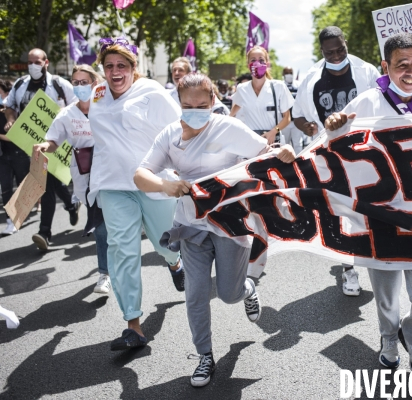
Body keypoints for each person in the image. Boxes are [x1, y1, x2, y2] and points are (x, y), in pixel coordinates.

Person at [134, 73, 296, 387]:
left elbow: (263, 154)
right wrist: (167, 185)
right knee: (195, 294)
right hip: (190, 225)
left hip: (230, 224)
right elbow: (141, 175)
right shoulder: (169, 135)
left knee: (228, 294)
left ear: (213, 102)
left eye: (201, 104)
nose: (194, 110)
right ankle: (204, 357)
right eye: (186, 105)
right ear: (178, 104)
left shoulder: (229, 128)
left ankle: (247, 289)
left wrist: (283, 153)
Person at [325, 33, 412, 376]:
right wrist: (333, 128)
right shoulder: (366, 102)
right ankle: (389, 340)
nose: (410, 72)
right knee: (385, 293)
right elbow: (335, 149)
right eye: (401, 65)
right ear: (386, 66)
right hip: (378, 214)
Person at [88, 37, 184, 351]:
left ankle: (174, 263)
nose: (115, 72)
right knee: (122, 251)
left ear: (133, 68)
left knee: (163, 242)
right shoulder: (98, 93)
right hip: (114, 185)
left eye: (122, 66)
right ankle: (133, 325)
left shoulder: (152, 93)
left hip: (153, 182)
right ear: (102, 69)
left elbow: (179, 130)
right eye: (109, 66)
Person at [293, 25, 380, 297]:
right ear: (321, 52)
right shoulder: (311, 78)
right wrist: (307, 127)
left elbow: (384, 101)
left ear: (346, 42)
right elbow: (297, 115)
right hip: (331, 155)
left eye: (340, 49)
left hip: (366, 152)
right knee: (341, 210)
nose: (336, 55)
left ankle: (375, 256)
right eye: (329, 52)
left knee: (368, 207)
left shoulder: (367, 72)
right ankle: (349, 268)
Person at [32, 65, 111, 294]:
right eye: (75, 82)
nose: (79, 87)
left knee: (118, 227)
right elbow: (54, 140)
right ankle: (104, 274)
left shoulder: (108, 108)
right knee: (101, 228)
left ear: (95, 83)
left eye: (83, 82)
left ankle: (120, 268)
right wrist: (46, 146)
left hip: (114, 173)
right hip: (87, 178)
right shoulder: (66, 114)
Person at [2, 48, 79, 249]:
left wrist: (64, 113)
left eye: (37, 62)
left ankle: (45, 231)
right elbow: (9, 106)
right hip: (32, 146)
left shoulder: (59, 85)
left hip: (57, 144)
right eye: (29, 62)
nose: (32, 66)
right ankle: (69, 207)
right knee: (47, 183)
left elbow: (79, 105)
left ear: (46, 62)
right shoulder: (20, 84)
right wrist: (11, 120)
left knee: (48, 184)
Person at [230, 45, 294, 145]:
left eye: (261, 60)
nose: (257, 63)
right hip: (250, 142)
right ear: (248, 65)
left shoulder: (278, 87)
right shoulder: (242, 88)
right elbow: (233, 113)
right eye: (253, 60)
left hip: (272, 141)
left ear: (267, 64)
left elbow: (287, 118)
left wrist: (273, 132)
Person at [0, 78, 28, 236]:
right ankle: (11, 221)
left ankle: (20, 215)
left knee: (21, 186)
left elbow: (14, 136)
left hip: (19, 153)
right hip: (3, 156)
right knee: (5, 188)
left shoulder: (14, 111)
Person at [281, 66, 305, 153]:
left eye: (290, 73)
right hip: (285, 121)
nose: (289, 75)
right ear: (283, 74)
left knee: (298, 143)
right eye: (287, 73)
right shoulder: (280, 86)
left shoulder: (299, 85)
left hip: (297, 120)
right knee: (284, 144)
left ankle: (299, 163)